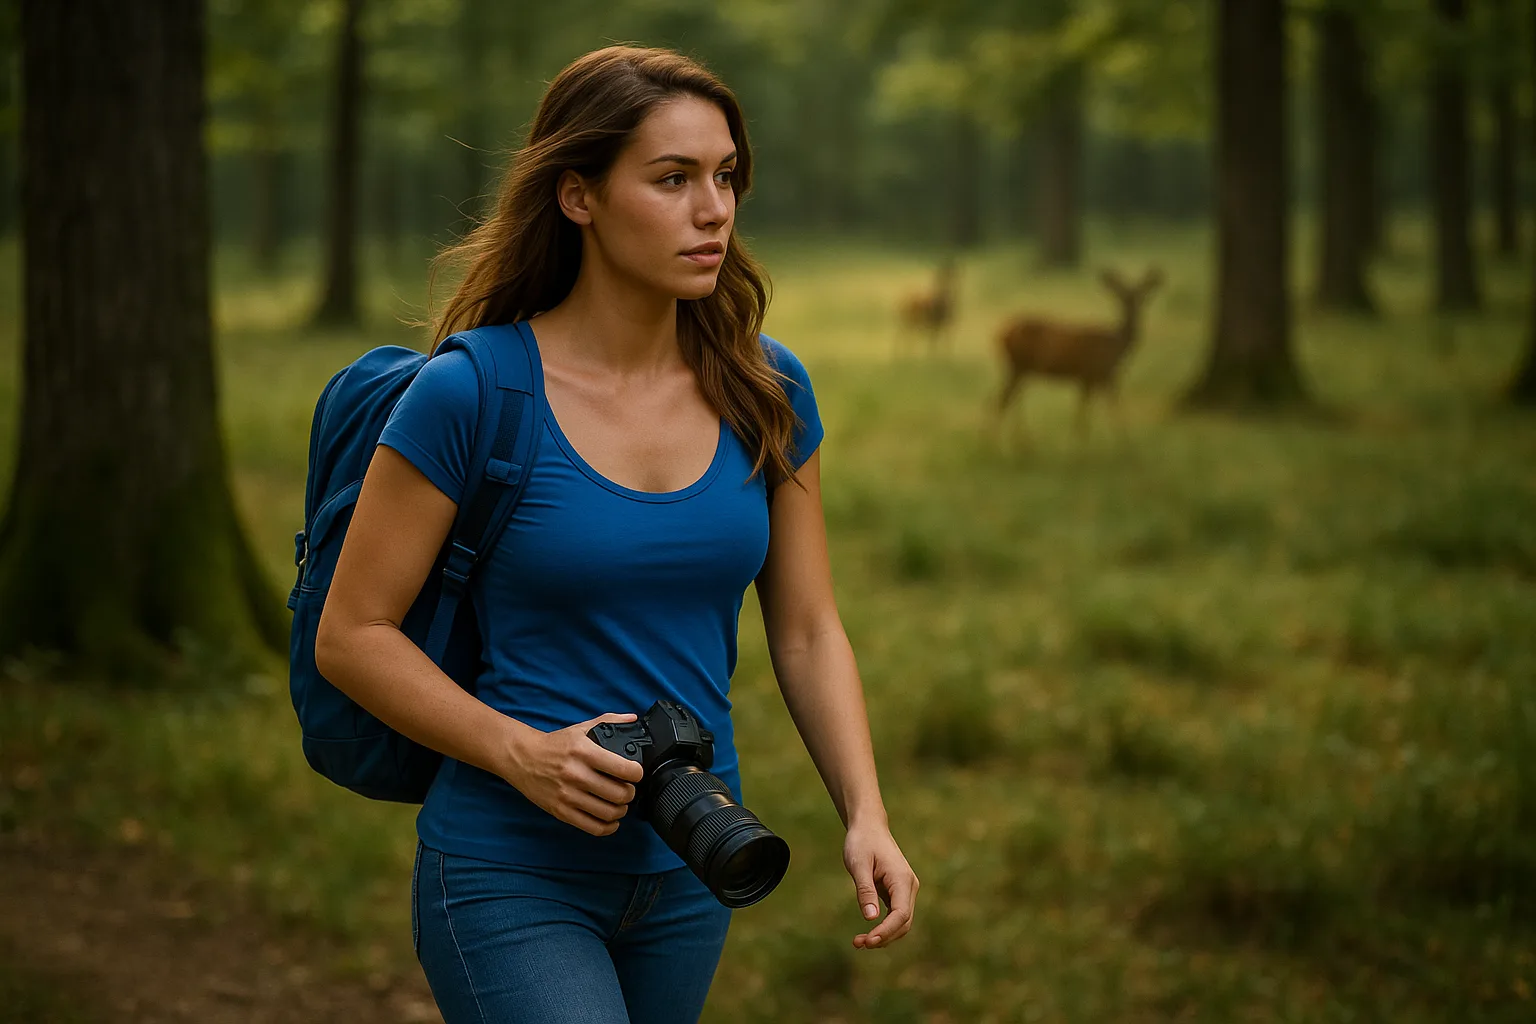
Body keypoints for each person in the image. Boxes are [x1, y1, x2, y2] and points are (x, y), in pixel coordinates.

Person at [314, 44, 918, 1024]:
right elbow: (352, 634)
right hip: (511, 869)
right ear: (579, 197)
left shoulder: (765, 388)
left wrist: (867, 815)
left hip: (695, 859)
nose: (714, 208)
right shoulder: (471, 393)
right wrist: (522, 754)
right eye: (672, 179)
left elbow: (806, 629)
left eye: (726, 176)